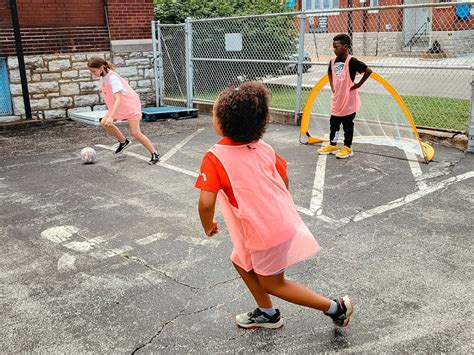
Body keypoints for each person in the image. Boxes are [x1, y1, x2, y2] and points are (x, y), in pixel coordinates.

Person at [195, 81, 353, 329]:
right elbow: (283, 179)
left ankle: (335, 308)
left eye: (215, 113)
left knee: (274, 283)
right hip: (269, 224)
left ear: (221, 123)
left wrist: (208, 225)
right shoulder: (264, 148)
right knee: (240, 260)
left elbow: (206, 203)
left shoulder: (215, 157)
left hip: (265, 231)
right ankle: (266, 312)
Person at [87, 57, 160, 165]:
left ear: (102, 67)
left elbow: (119, 98)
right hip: (118, 106)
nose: (93, 73)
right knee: (104, 123)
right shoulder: (103, 77)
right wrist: (111, 114)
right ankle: (123, 141)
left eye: (93, 71)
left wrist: (112, 116)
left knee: (135, 133)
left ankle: (155, 154)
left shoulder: (112, 78)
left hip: (130, 105)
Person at [318, 34, 372, 159]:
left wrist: (358, 84)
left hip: (348, 101)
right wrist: (332, 86)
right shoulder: (333, 61)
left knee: (348, 125)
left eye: (336, 47)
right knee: (334, 124)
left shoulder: (352, 61)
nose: (334, 49)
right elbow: (330, 72)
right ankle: (333, 144)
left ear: (345, 46)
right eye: (333, 47)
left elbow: (368, 71)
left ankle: (348, 147)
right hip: (337, 100)